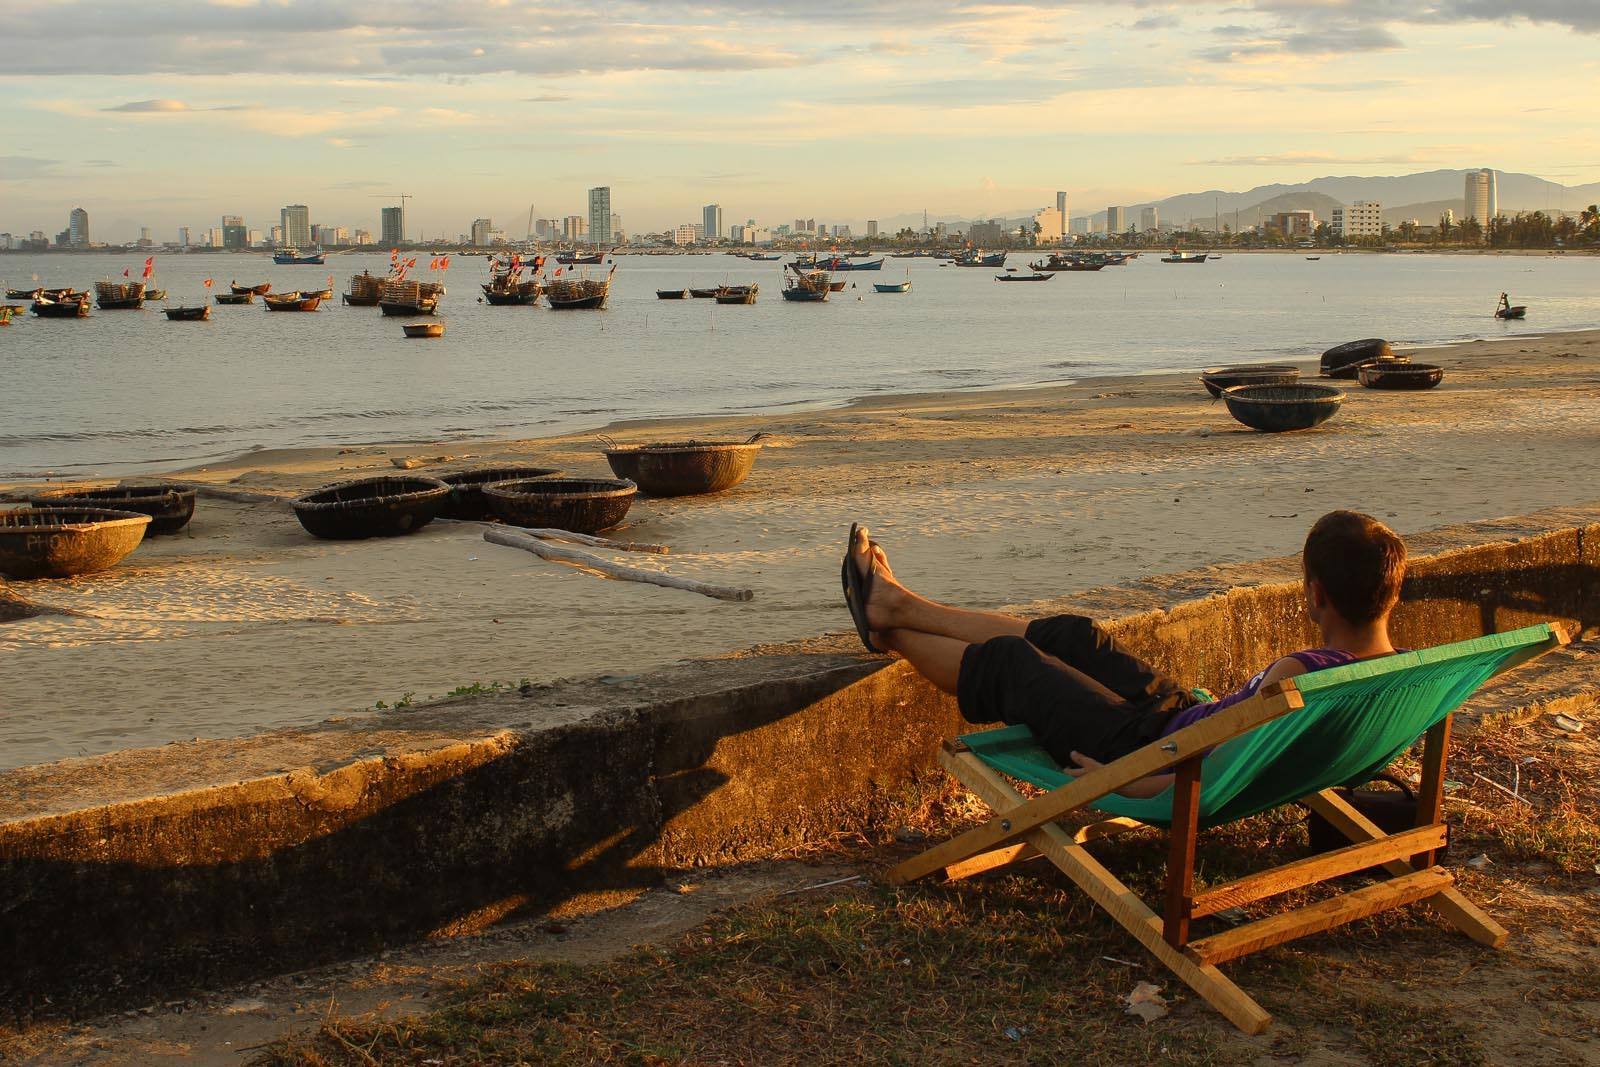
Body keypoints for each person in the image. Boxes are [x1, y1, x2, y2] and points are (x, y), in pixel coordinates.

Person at [841, 510, 1406, 798]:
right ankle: (900, 606)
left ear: (1316, 595)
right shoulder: (1401, 672)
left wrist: (1126, 780)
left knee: (1013, 662)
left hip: (1146, 752)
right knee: (1076, 636)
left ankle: (888, 628)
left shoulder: (1300, 677)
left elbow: (1218, 776)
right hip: (1180, 721)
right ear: (1392, 593)